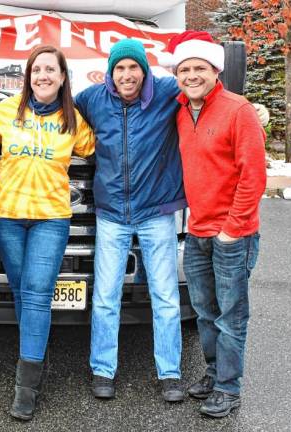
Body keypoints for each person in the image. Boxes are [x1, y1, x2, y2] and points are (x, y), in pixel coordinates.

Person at [74, 39, 187, 402]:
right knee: (106, 297)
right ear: (110, 71)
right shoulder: (92, 99)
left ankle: (169, 373)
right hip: (111, 216)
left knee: (166, 297)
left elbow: (205, 89)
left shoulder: (167, 93)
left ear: (144, 70)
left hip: (156, 214)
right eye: (119, 68)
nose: (126, 75)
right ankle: (103, 370)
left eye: (133, 67)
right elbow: (57, 110)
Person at [0, 45, 95, 420]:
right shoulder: (4, 113)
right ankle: (36, 353)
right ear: (28, 76)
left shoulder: (74, 121)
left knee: (36, 293)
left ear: (63, 77)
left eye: (51, 70)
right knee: (21, 291)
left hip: (52, 218)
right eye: (37, 70)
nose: (43, 76)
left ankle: (26, 387)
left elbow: (98, 149)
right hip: (7, 217)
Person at [168, 30, 266, 418]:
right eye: (185, 69)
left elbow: (253, 176)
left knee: (231, 315)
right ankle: (213, 374)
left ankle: (229, 387)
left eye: (200, 68)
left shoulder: (238, 110)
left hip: (232, 235)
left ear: (215, 71)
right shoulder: (179, 111)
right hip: (197, 232)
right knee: (204, 311)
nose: (192, 75)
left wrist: (231, 229)